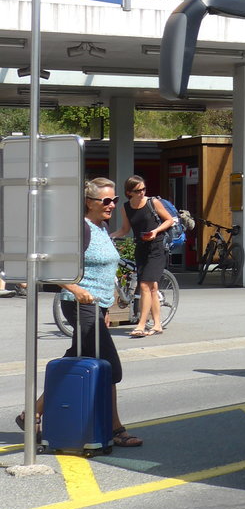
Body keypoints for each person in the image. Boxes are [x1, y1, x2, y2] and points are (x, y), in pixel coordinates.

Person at [15, 177, 142, 448]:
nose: (111, 205)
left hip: (97, 307)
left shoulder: (101, 226)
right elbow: (51, 264)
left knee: (74, 361)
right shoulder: (79, 229)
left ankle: (33, 414)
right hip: (80, 304)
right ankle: (116, 429)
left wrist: (105, 308)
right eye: (105, 201)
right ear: (89, 202)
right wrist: (74, 289)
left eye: (114, 200)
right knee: (110, 367)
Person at [111, 175, 172, 337]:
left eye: (144, 189)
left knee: (145, 285)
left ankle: (141, 324)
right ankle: (157, 324)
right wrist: (109, 236)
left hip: (156, 247)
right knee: (152, 287)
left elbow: (169, 220)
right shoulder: (126, 207)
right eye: (138, 190)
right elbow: (125, 229)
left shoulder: (153, 202)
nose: (142, 193)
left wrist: (155, 231)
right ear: (129, 192)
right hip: (141, 248)